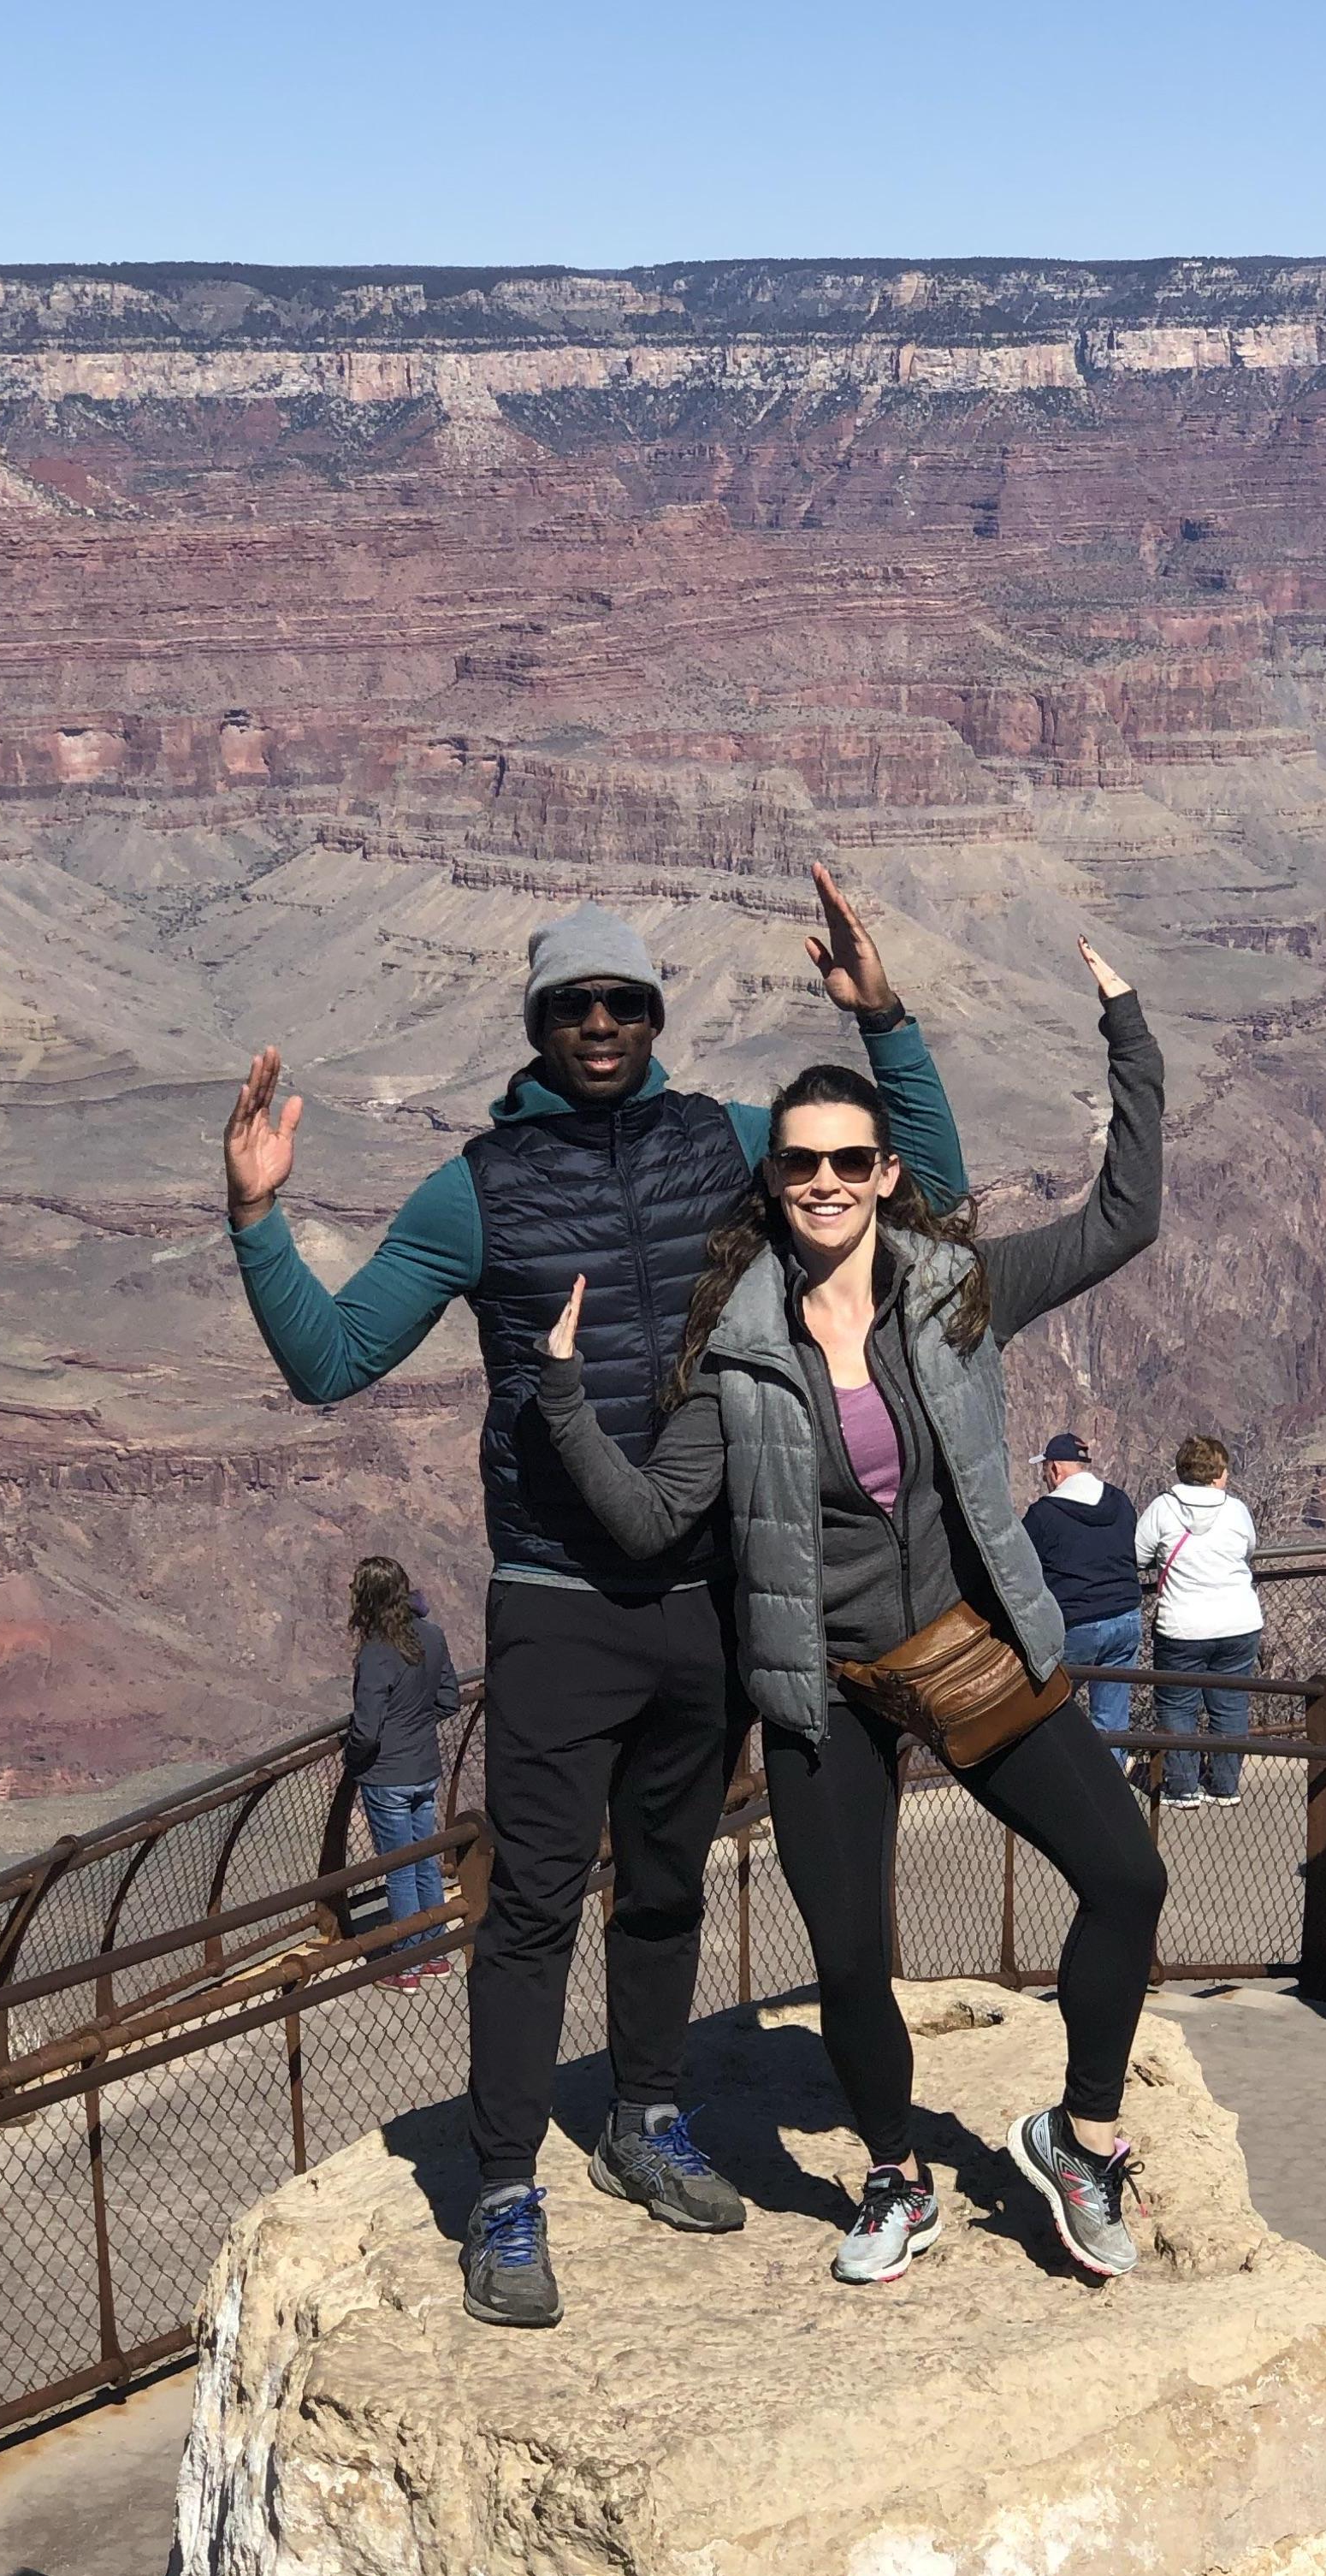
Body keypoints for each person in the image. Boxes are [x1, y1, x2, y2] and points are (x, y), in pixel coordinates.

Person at [221, 868, 969, 2328]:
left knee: (674, 1882)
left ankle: (645, 2114)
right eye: (576, 1006)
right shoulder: (474, 1191)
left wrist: (886, 1023)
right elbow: (328, 1361)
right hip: (556, 1597)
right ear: (539, 1022)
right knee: (532, 1910)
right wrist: (257, 1219)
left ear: (655, 1016)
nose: (604, 1023)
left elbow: (914, 1181)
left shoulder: (729, 1147)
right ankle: (504, 2191)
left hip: (707, 1588)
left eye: (626, 1001)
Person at [535, 941, 1170, 2289]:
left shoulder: (959, 1295)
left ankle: (1083, 2138)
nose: (822, 1181)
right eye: (798, 1163)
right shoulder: (738, 1351)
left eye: (848, 1161)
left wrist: (1128, 1035)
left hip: (970, 1647)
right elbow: (651, 1519)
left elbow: (1125, 1218)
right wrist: (561, 1402)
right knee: (849, 1959)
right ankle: (894, 2176)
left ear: (886, 1174)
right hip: (824, 1683)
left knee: (1127, 1878)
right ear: (775, 1183)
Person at [342, 1555, 463, 1987]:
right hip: (425, 1769)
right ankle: (436, 1952)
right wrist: (414, 1725)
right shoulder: (431, 1635)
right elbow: (449, 1700)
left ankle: (406, 1965)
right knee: (425, 1859)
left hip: (387, 1776)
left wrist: (353, 1757)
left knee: (399, 1868)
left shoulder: (376, 1651)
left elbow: (367, 1729)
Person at [1139, 1436, 1264, 1808]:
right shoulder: (1236, 1510)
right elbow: (1249, 1550)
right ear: (1217, 1474)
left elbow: (1138, 1553)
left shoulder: (1162, 1509)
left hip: (1182, 1626)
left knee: (1178, 1706)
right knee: (1230, 1705)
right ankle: (1225, 1786)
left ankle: (1182, 1788)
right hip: (1238, 1624)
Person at [1024, 1434, 1143, 1740]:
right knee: (1113, 1719)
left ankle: (1059, 1781)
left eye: (1045, 1470)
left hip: (1077, 1624)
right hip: (1126, 1616)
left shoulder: (1043, 1515)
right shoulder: (1119, 1500)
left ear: (1055, 1470)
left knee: (1049, 1712)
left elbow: (1022, 1568)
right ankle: (1110, 1783)